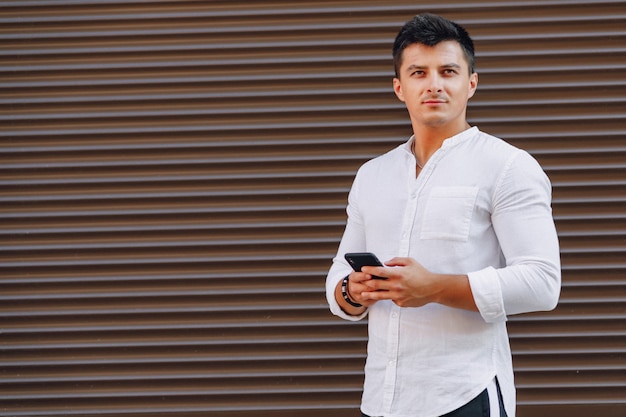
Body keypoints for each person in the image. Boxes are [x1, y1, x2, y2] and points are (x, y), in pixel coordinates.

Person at [325, 13, 561, 417]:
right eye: (419, 72)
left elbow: (542, 283)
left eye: (448, 71)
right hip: (382, 397)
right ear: (400, 88)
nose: (434, 84)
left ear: (471, 83)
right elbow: (337, 275)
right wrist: (352, 292)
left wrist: (433, 288)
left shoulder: (508, 166)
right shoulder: (372, 175)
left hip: (464, 394)